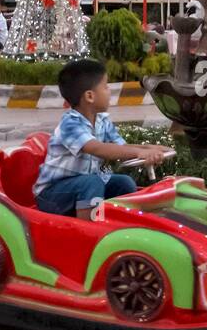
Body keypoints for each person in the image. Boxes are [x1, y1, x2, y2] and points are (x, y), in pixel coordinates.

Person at [33, 59, 172, 218]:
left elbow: (121, 147)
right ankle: (90, 229)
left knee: (123, 183)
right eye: (105, 87)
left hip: (82, 186)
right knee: (92, 182)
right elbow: (98, 148)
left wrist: (151, 149)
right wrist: (139, 153)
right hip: (53, 195)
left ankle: (124, 224)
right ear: (90, 96)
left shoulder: (102, 120)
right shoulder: (70, 123)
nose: (109, 92)